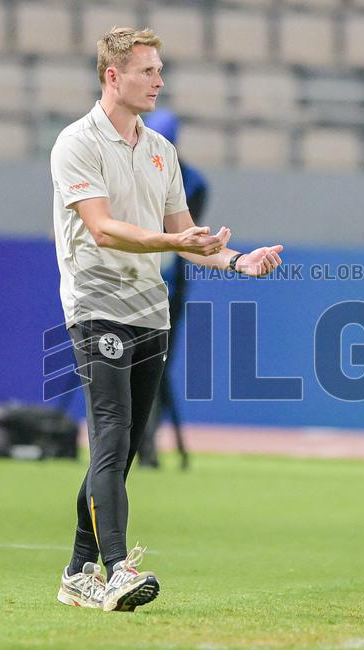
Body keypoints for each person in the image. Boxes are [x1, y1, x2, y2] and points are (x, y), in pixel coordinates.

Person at [50, 27, 283, 612]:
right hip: (97, 305)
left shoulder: (161, 151)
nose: (159, 80)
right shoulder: (77, 143)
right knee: (109, 434)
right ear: (113, 75)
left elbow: (187, 241)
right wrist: (169, 237)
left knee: (124, 449)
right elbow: (102, 228)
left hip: (150, 311)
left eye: (159, 69)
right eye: (148, 70)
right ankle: (117, 570)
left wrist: (237, 260)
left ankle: (78, 571)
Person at [137, 108, 208, 470]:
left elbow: (182, 233)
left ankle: (146, 442)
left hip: (168, 287)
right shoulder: (128, 169)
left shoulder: (192, 181)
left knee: (156, 366)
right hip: (130, 280)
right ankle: (136, 443)